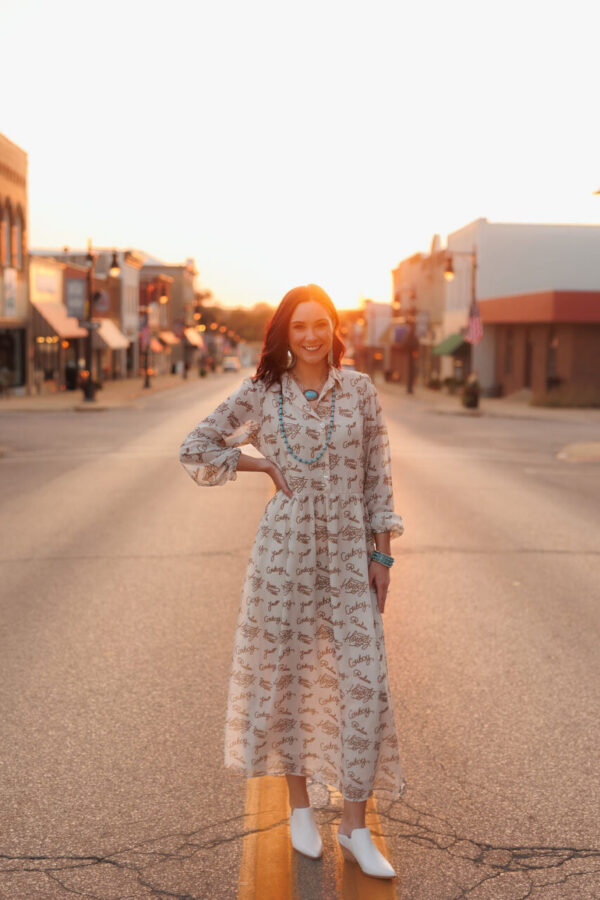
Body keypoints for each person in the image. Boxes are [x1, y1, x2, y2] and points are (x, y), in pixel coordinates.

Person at [179, 284, 406, 879]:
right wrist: (258, 462)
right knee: (289, 680)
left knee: (364, 682)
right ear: (284, 333)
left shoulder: (359, 391)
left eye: (321, 324)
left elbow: (379, 477)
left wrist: (382, 560)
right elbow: (195, 446)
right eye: (299, 325)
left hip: (351, 558)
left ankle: (355, 827)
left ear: (335, 329)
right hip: (283, 560)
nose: (310, 335)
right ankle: (299, 808)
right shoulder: (262, 392)